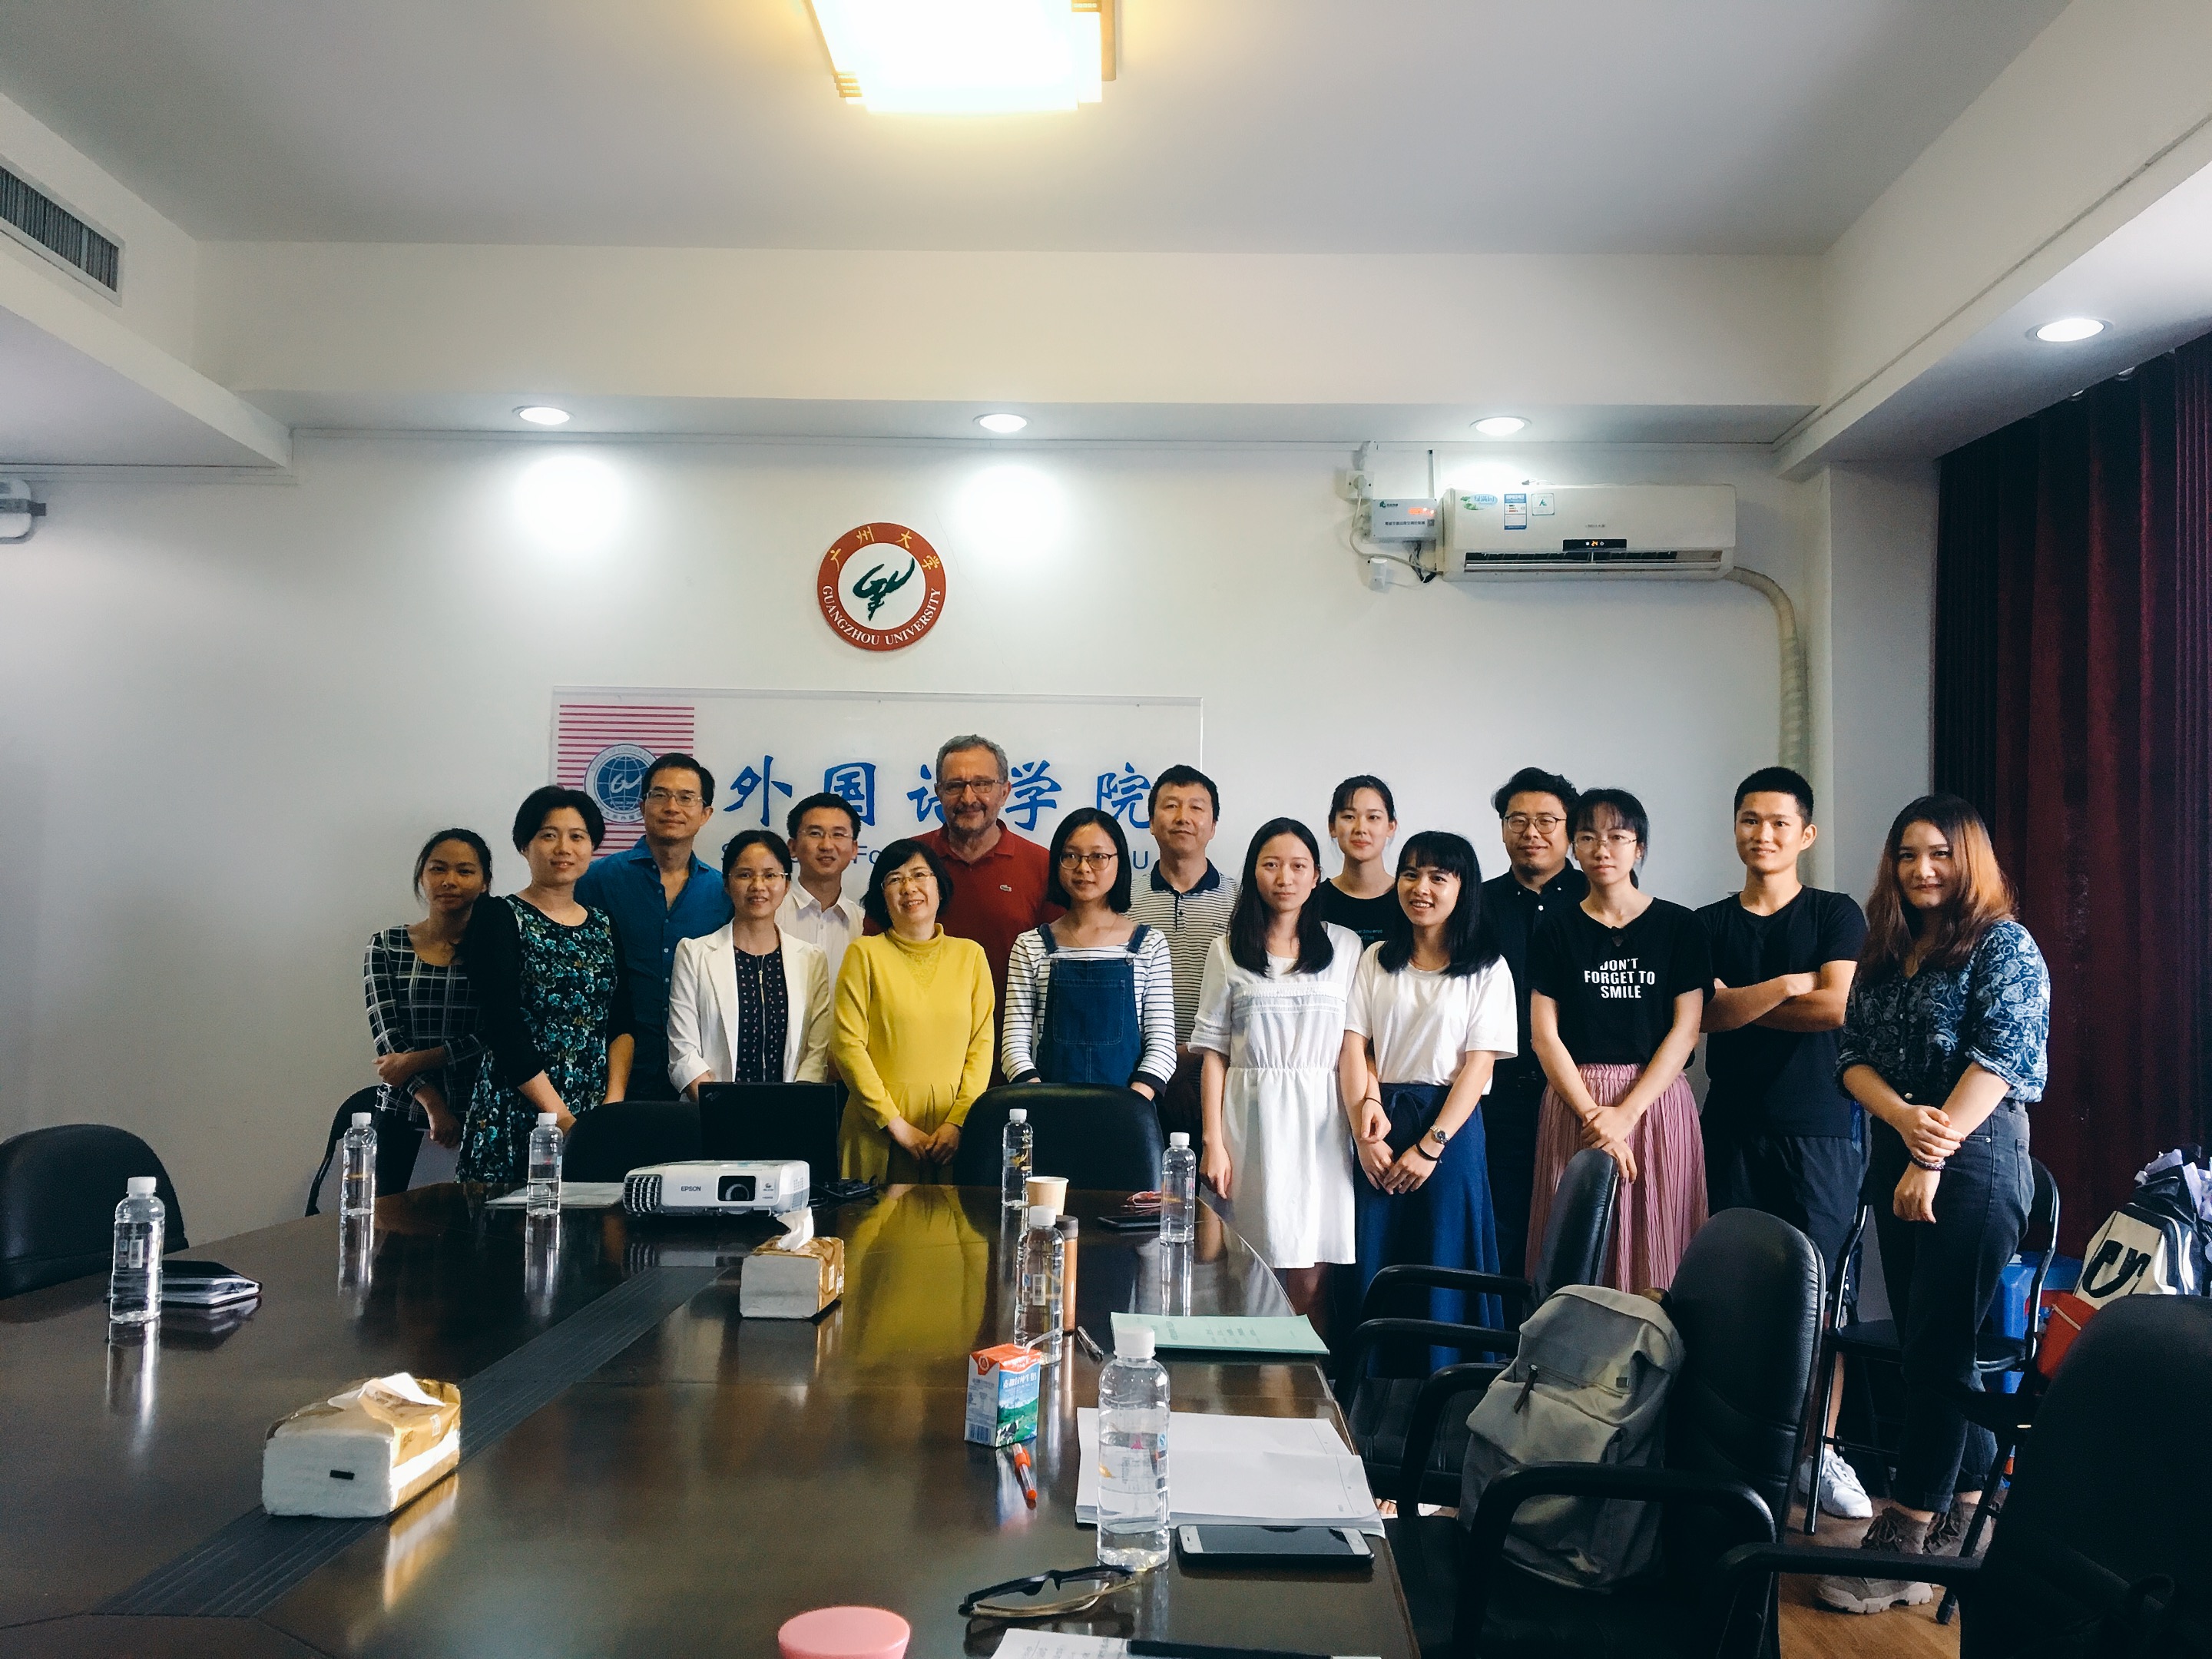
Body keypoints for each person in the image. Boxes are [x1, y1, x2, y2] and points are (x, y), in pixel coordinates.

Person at [1815, 795, 2048, 1618]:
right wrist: (1902, 1120)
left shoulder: (2004, 945)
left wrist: (1929, 1151)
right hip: (1900, 1145)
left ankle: (1907, 1536)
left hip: (1974, 1155)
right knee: (1927, 1346)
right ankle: (1972, 1510)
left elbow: (1999, 1059)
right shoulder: (1889, 949)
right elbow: (1851, 1056)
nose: (1922, 869)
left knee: (1939, 1347)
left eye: (1940, 853)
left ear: (1969, 860)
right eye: (1908, 854)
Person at [1696, 767, 1871, 1523]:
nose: (1761, 834)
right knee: (1730, 1296)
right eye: (1749, 820)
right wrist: (1784, 986)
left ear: (1806, 834)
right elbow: (1703, 1016)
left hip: (1822, 1132)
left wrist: (1743, 1000)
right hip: (1730, 1128)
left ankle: (1817, 1454)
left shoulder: (1835, 913)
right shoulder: (1705, 923)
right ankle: (1730, 1452)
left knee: (1824, 1299)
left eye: (1777, 822)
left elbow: (1835, 1007)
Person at [1339, 832, 1518, 1373]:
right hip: (1381, 1123)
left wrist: (1431, 1146)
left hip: (1451, 1128)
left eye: (1439, 877)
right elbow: (1355, 1046)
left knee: (1446, 1256)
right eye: (1411, 874)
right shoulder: (1376, 959)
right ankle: (1366, 1393)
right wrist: (1363, 1124)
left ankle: (1447, 1392)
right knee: (1374, 1260)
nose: (1421, 888)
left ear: (1464, 889)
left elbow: (1479, 1067)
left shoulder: (1488, 967)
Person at [1525, 788, 1710, 1290]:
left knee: (1661, 1248)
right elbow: (1544, 1036)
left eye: (1617, 837)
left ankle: (1655, 1344)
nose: (1601, 849)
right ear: (1574, 847)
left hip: (1656, 1102)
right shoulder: (1555, 929)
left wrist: (1626, 1115)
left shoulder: (1680, 926)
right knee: (1575, 1253)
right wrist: (1595, 1118)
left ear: (1639, 847)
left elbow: (1686, 1029)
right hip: (1576, 1102)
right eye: (1588, 837)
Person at [1189, 819, 1361, 1317]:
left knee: (1313, 1275)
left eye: (1298, 866)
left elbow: (1356, 1045)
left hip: (1323, 1126)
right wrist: (1213, 1142)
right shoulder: (1227, 950)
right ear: (1253, 874)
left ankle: (1311, 1369)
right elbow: (1214, 1054)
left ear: (1316, 876)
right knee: (1247, 1266)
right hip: (1251, 1123)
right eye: (1271, 865)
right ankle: (1252, 1366)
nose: (1285, 877)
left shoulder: (1346, 947)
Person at [459, 788, 633, 1184]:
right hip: (518, 1105)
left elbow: (621, 1020)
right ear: (524, 845)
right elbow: (503, 1026)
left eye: (577, 836)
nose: (563, 848)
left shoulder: (604, 924)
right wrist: (562, 1119)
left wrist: (610, 1109)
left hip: (594, 1109)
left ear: (592, 847)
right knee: (506, 1221)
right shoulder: (498, 916)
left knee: (593, 1221)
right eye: (548, 835)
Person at [832, 839, 995, 1185]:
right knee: (873, 1219)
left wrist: (958, 1122)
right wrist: (896, 1126)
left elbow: (982, 1047)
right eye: (895, 879)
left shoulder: (971, 956)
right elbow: (847, 1047)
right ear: (882, 896)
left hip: (951, 1133)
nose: (909, 888)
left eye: (920, 875)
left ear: (939, 886)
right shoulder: (864, 954)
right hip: (877, 1126)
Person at [1480, 766, 1588, 1277]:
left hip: (1579, 1094)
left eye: (1547, 820)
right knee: (1502, 1233)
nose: (1531, 832)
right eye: (1517, 820)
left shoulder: (1599, 898)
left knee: (1577, 1233)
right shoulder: (1477, 905)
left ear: (1570, 829)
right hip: (1497, 1097)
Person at [575, 753, 732, 1099]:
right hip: (610, 1073)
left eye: (686, 798)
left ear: (705, 814)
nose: (672, 807)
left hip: (699, 1074)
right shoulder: (596, 881)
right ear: (642, 806)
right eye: (660, 795)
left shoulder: (723, 892)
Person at [1001, 808, 1177, 1098]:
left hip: (1128, 1110)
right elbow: (1013, 1048)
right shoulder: (1030, 946)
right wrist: (1043, 1102)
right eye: (1071, 856)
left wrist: (1130, 1105)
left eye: (1098, 856)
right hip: (1050, 1107)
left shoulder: (1149, 945)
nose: (1083, 868)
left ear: (1119, 862)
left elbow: (1162, 1049)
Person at [916, 734, 1061, 1075]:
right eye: (955, 786)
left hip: (1013, 1060)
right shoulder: (910, 863)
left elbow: (1057, 970)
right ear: (938, 792)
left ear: (1005, 791)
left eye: (982, 784)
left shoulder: (1042, 866)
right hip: (918, 1055)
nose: (969, 798)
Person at [363, 829, 492, 1184]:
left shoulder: (497, 947)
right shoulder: (387, 944)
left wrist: (417, 1060)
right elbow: (388, 1038)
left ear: (484, 882)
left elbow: (495, 1033)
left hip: (481, 1107)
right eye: (438, 869)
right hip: (402, 1105)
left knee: (480, 1213)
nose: (449, 880)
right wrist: (434, 1104)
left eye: (465, 871)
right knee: (386, 1213)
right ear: (422, 876)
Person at [666, 830, 834, 1095]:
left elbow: (816, 1053)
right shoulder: (694, 954)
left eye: (770, 875)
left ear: (786, 884)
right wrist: (723, 1110)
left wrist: (795, 1106)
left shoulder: (811, 959)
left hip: (791, 1109)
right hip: (712, 1112)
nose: (758, 886)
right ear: (726, 883)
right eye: (745, 875)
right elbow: (683, 1053)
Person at [1125, 765, 1239, 1148]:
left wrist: (1191, 1059)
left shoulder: (1242, 903)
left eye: (1196, 807)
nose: (1183, 817)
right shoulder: (1122, 900)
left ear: (1213, 825)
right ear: (1151, 822)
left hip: (1221, 1076)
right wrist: (1163, 1069)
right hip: (1140, 1079)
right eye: (1171, 806)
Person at [777, 791, 866, 987]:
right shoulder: (770, 914)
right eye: (815, 833)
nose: (826, 845)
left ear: (854, 849)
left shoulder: (863, 925)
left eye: (838, 835)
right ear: (792, 846)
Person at [1318, 776, 1400, 945]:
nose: (1361, 829)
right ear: (1332, 826)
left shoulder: (1409, 900)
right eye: (1349, 817)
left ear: (1391, 827)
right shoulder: (1313, 901)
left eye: (1373, 817)